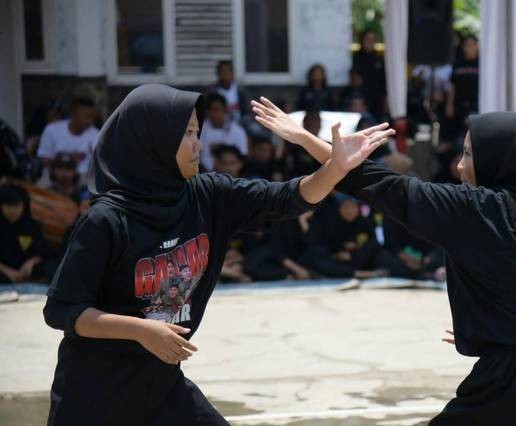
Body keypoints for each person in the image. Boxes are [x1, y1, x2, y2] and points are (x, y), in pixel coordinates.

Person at [42, 84, 392, 425]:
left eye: (198, 131)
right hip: (95, 394)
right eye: (188, 134)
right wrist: (140, 330)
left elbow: (288, 198)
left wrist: (335, 168)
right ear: (154, 142)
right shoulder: (106, 220)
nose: (199, 144)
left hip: (162, 386)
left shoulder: (207, 196)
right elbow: (62, 309)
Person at [252, 98, 516, 425]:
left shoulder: (480, 210)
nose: (458, 166)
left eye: (469, 155)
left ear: (500, 161)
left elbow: (388, 188)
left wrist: (304, 139)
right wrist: (503, 318)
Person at [37, 96, 99, 183]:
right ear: (74, 114)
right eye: (87, 116)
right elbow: (44, 159)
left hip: (83, 178)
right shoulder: (52, 129)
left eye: (92, 117)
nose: (90, 121)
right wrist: (63, 171)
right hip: (53, 176)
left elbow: (100, 164)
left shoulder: (96, 134)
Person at [0, 186, 51, 283]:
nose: (12, 211)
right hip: (3, 272)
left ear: (24, 206)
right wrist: (7, 271)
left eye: (16, 206)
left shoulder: (32, 225)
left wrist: (31, 262)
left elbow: (43, 251)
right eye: (8, 205)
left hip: (25, 273)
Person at [199, 93, 249, 171]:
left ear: (225, 110)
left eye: (216, 110)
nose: (213, 114)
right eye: (210, 110)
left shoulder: (238, 131)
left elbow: (243, 156)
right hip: (206, 174)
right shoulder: (200, 130)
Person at [446, 35, 479, 142]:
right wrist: (449, 104)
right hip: (459, 104)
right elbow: (452, 85)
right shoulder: (458, 63)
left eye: (471, 45)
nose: (467, 48)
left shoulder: (483, 63)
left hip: (476, 104)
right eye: (465, 45)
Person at [353, 28, 387, 121]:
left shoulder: (379, 59)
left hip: (377, 100)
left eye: (372, 39)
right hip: (362, 99)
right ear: (362, 40)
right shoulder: (356, 58)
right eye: (367, 39)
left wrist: (385, 101)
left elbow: (383, 82)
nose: (370, 42)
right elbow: (355, 81)